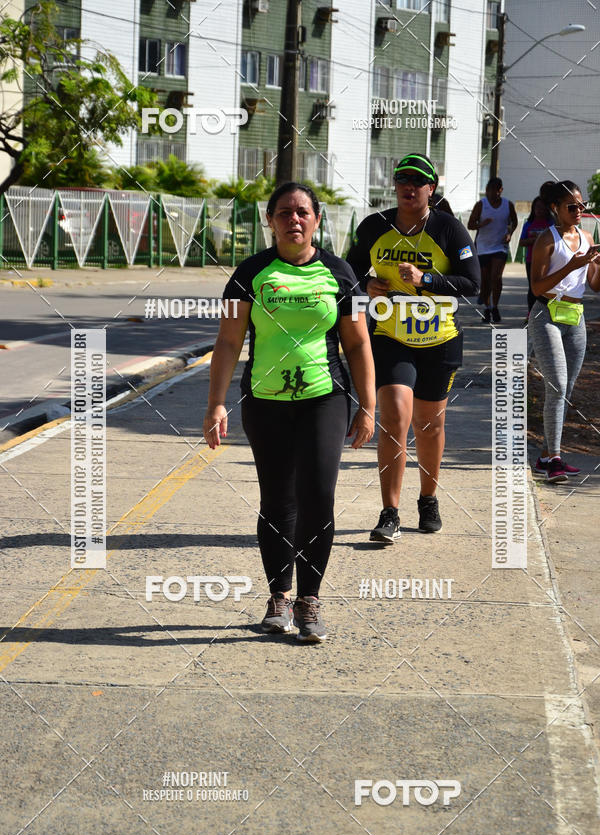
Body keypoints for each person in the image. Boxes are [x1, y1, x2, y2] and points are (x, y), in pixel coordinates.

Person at [203, 182, 375, 642]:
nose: (293, 220)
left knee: (318, 497)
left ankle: (309, 600)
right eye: (284, 212)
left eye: (302, 212)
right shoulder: (249, 273)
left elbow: (358, 343)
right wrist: (216, 403)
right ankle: (279, 596)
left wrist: (368, 406)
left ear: (317, 219)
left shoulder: (341, 274)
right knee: (278, 500)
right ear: (270, 221)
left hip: (325, 398)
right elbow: (228, 342)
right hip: (265, 402)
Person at [346, 153, 480, 542]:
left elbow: (472, 284)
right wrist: (366, 284)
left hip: (439, 340)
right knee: (394, 419)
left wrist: (427, 280)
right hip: (391, 337)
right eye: (403, 179)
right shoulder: (375, 225)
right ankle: (389, 512)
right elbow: (349, 271)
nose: (409, 187)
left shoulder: (449, 228)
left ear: (430, 189)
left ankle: (428, 499)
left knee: (429, 425)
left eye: (418, 181)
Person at [529, 180, 600, 483]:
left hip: (575, 317)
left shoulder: (587, 237)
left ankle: (546, 456)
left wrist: (597, 264)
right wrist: (572, 265)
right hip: (546, 314)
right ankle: (555, 460)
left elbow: (594, 285)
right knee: (557, 386)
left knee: (566, 390)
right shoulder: (547, 239)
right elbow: (537, 287)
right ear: (555, 208)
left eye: (582, 205)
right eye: (572, 206)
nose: (578, 210)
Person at [468, 177, 517, 323]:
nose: (491, 193)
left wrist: (509, 233)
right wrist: (481, 224)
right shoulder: (481, 205)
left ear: (500, 190)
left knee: (496, 277)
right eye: (488, 190)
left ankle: (495, 306)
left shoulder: (508, 205)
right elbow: (470, 224)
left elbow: (514, 221)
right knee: (485, 280)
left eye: (494, 190)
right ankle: (487, 308)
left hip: (499, 246)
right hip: (483, 247)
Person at [518, 196, 553, 317]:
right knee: (533, 287)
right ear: (533, 209)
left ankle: (547, 313)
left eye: (542, 207)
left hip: (548, 260)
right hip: (531, 260)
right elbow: (521, 242)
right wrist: (534, 240)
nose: (540, 210)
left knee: (547, 287)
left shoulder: (551, 224)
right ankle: (531, 314)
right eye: (537, 207)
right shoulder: (528, 224)